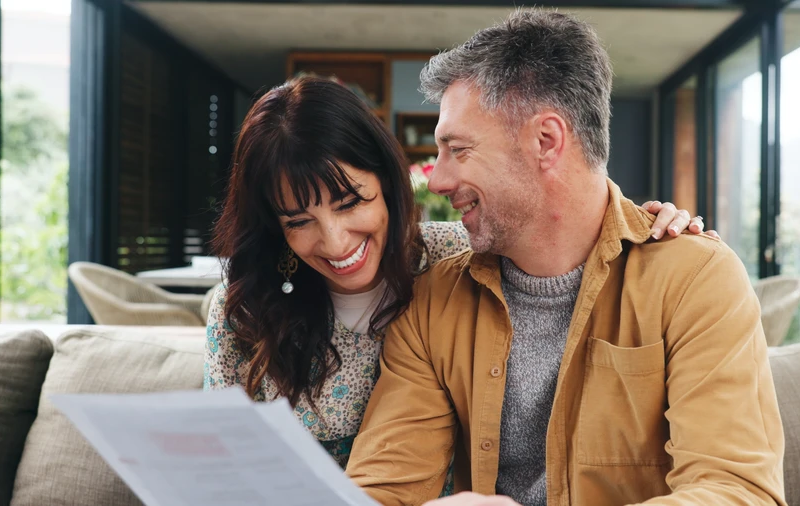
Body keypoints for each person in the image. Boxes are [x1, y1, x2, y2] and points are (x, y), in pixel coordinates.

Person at [344, 10, 785, 506]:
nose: (437, 179)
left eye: (458, 149)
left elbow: (737, 492)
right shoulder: (434, 302)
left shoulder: (695, 279)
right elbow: (381, 492)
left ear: (545, 141)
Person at [202, 76, 711, 476]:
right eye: (299, 221)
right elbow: (213, 467)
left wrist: (646, 228)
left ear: (389, 178)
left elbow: (563, 237)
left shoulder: (453, 260)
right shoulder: (242, 306)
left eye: (350, 201)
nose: (334, 242)